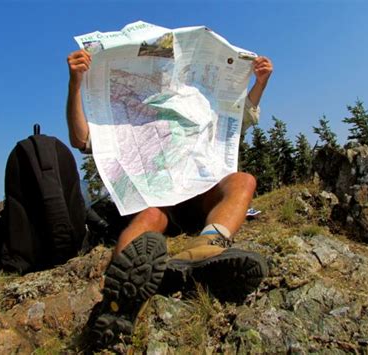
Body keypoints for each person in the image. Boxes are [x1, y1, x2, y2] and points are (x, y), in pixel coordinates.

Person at [66, 49, 273, 348]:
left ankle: (206, 247)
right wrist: (76, 83)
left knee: (244, 181)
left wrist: (260, 82)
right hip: (162, 198)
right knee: (150, 216)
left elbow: (237, 116)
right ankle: (121, 294)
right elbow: (81, 138)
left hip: (203, 194)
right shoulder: (136, 115)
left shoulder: (200, 105)